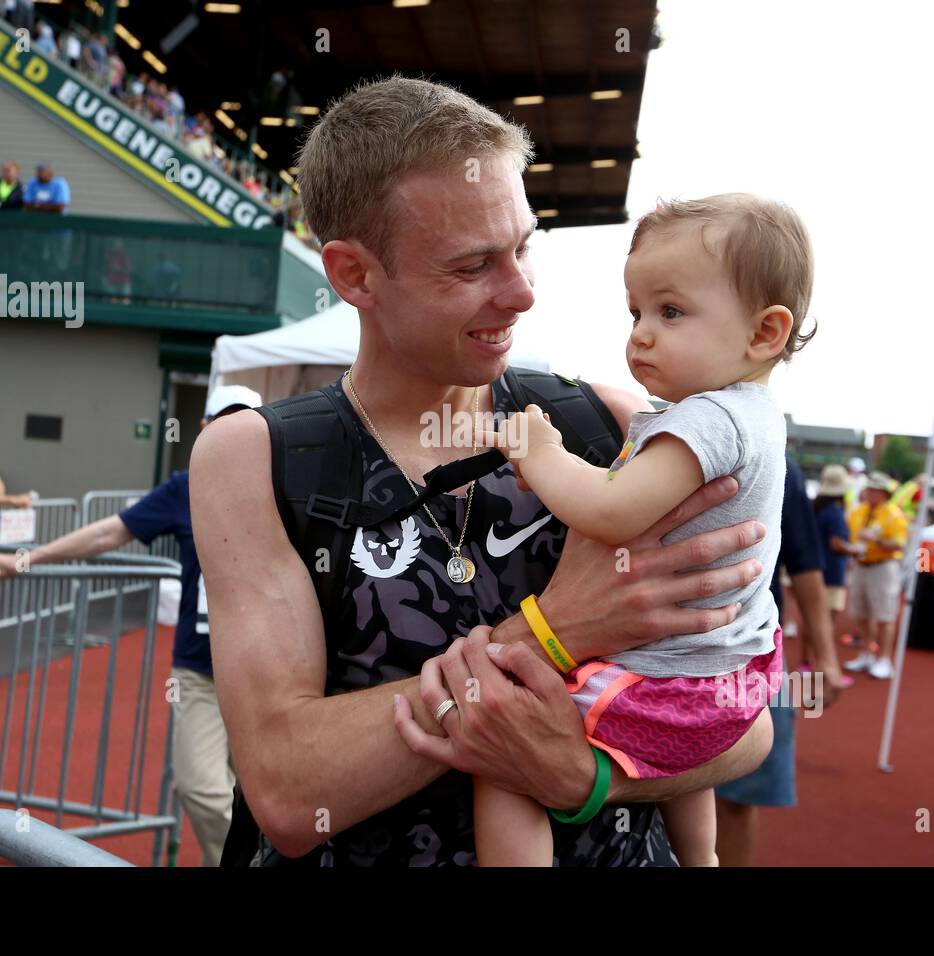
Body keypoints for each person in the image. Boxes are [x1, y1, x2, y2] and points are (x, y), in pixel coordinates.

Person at [191, 77, 772, 868]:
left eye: (524, 245)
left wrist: (586, 779)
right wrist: (554, 633)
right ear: (355, 275)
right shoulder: (257, 458)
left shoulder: (606, 421)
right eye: (473, 266)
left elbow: (747, 721)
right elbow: (291, 792)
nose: (523, 291)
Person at [475, 194, 811, 867]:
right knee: (668, 769)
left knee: (501, 759)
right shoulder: (757, 414)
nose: (642, 334)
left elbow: (610, 510)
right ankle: (702, 859)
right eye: (636, 312)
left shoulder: (707, 419)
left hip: (668, 686)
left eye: (671, 311)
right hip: (729, 678)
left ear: (764, 333)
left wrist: (541, 453)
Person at [0, 385, 261, 865]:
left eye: (245, 422)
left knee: (256, 801)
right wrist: (31, 558)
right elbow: (110, 531)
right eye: (222, 422)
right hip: (199, 672)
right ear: (203, 430)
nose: (232, 434)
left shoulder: (283, 485)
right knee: (203, 789)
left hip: (266, 675)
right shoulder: (184, 488)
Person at [715, 455, 846, 866]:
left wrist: (825, 656)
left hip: (753, 655)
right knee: (661, 794)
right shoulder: (660, 441)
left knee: (738, 796)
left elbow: (806, 564)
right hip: (666, 652)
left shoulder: (779, 465)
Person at [844, 472, 909, 679]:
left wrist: (877, 540)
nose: (868, 492)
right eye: (868, 488)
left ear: (883, 493)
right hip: (861, 564)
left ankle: (885, 659)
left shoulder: (894, 514)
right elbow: (850, 535)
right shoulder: (858, 511)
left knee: (884, 615)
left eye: (873, 489)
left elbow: (899, 544)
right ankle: (867, 653)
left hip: (884, 566)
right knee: (861, 613)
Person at [811, 464, 858, 666]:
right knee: (827, 621)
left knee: (812, 619)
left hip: (816, 569)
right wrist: (855, 550)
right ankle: (822, 664)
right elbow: (837, 544)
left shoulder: (815, 508)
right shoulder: (835, 513)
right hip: (832, 572)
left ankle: (808, 661)